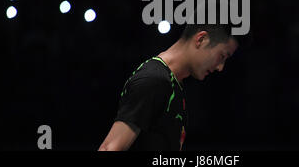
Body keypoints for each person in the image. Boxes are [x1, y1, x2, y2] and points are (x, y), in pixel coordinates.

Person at [98, 22, 241, 151]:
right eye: (222, 56)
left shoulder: (175, 83)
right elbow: (109, 148)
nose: (220, 67)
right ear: (201, 39)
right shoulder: (153, 80)